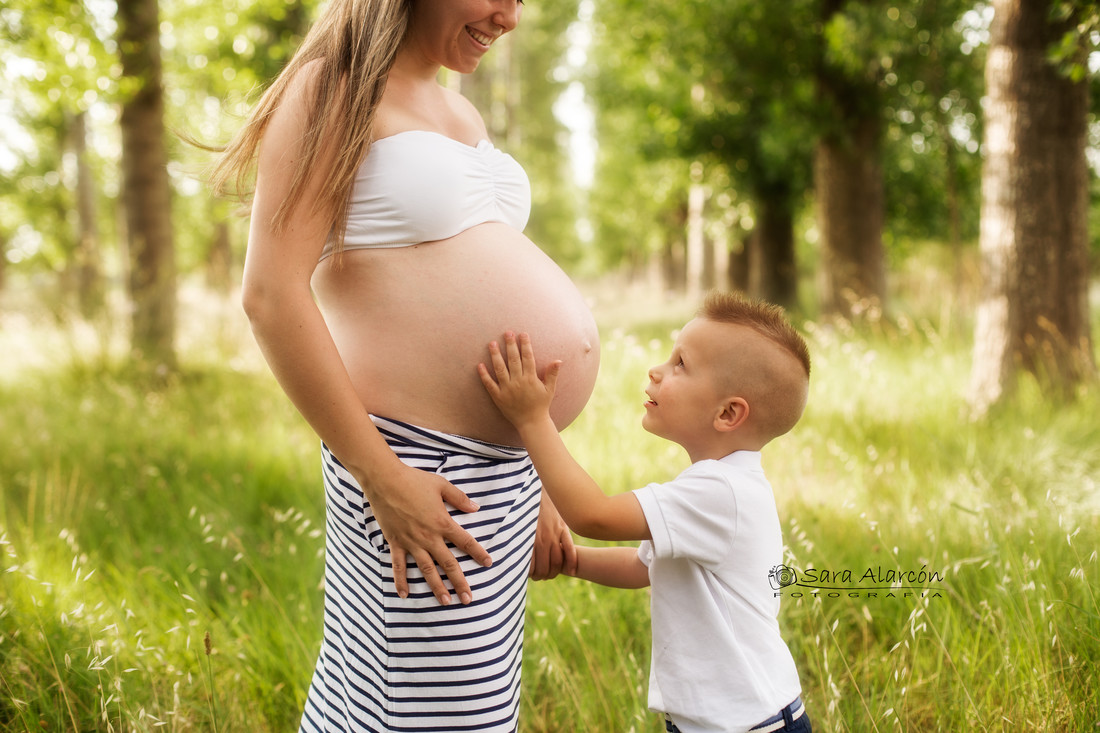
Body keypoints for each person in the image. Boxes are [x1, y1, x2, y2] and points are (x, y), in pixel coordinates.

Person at [210, 0, 600, 730]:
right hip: (411, 465)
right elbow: (270, 295)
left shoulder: (460, 114)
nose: (511, 18)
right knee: (416, 705)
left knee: (473, 705)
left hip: (504, 469)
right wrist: (382, 477)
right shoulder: (335, 85)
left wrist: (541, 469)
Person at [478, 290, 813, 733]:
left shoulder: (721, 492)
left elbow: (592, 515)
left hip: (749, 724)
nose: (656, 371)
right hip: (728, 720)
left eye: (680, 364)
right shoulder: (722, 487)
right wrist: (571, 562)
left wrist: (532, 420)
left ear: (728, 413)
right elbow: (644, 568)